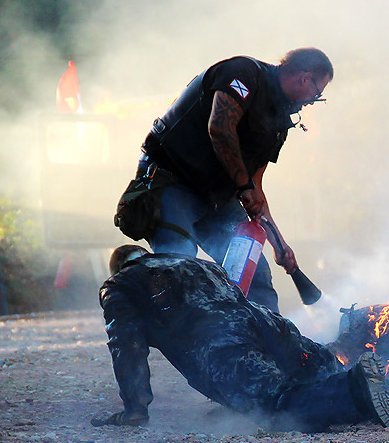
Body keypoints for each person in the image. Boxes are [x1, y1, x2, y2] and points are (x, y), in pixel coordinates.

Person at [93, 245, 389, 432]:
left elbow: (125, 344)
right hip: (267, 324)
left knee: (279, 403)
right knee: (322, 372)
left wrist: (135, 408)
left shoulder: (121, 284)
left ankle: (358, 388)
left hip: (222, 344)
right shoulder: (191, 261)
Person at [129, 47, 333, 314]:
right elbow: (220, 129)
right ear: (305, 78)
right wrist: (245, 187)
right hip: (171, 181)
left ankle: (269, 346)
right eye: (317, 94)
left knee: (255, 273)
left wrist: (279, 244)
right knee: (178, 267)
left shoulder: (278, 121)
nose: (311, 100)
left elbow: (255, 187)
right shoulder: (244, 74)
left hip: (215, 197)